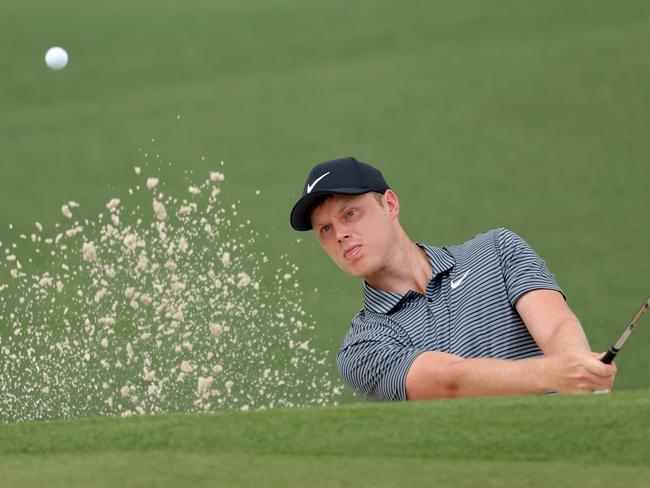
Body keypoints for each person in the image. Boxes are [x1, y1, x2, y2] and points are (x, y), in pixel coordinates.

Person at [289, 156, 617, 401]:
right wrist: (554, 374)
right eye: (325, 229)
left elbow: (556, 325)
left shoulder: (498, 250)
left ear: (389, 204)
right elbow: (450, 382)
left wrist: (578, 368)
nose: (341, 235)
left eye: (350, 214)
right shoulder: (361, 349)